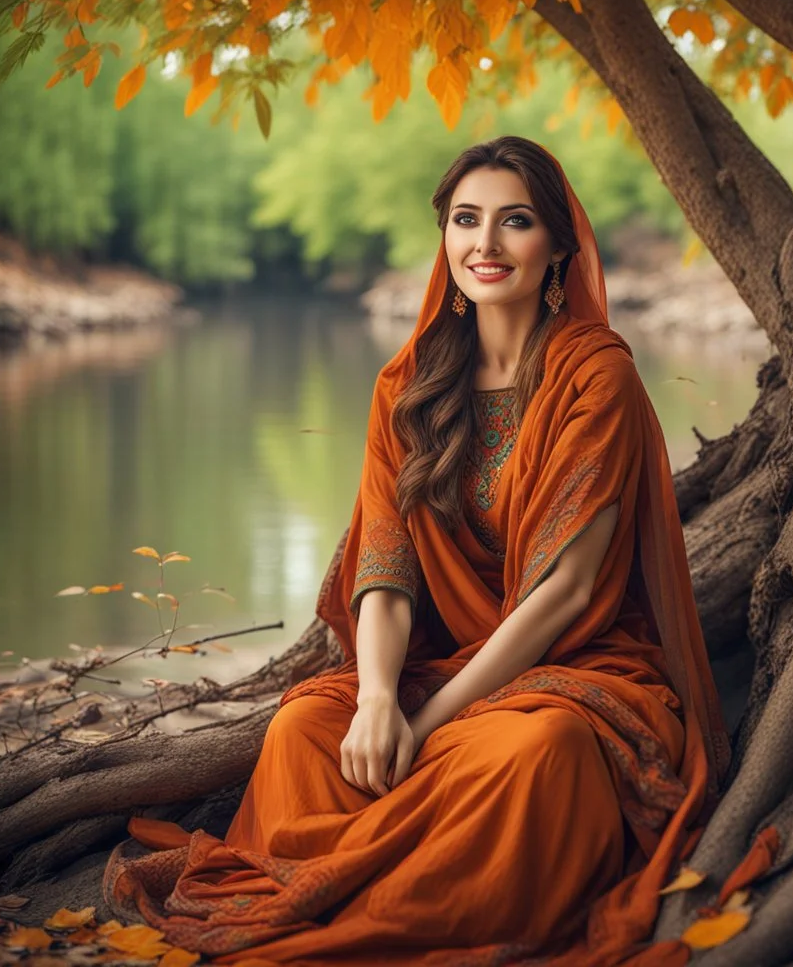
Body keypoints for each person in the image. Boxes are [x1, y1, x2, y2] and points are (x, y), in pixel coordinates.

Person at [103, 135, 731, 965]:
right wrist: (375, 699)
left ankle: (404, 898)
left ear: (557, 251)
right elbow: (385, 572)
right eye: (466, 220)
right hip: (440, 664)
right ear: (443, 239)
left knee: (532, 755)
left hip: (569, 673)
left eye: (516, 222)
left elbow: (566, 593)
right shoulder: (407, 386)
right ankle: (380, 877)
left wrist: (429, 722)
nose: (486, 243)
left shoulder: (595, 377)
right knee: (300, 728)